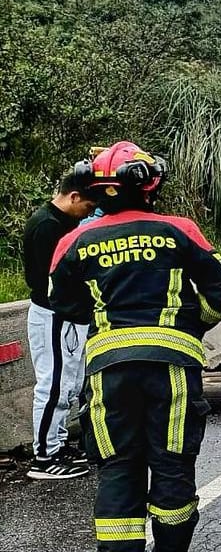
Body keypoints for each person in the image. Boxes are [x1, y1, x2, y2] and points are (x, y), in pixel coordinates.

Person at [47, 141, 221, 552]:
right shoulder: (178, 229)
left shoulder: (73, 242)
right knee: (171, 466)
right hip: (171, 369)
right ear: (149, 185)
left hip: (108, 371)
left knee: (118, 467)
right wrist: (189, 327)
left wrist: (103, 319)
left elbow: (63, 303)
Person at [23, 170, 97, 479]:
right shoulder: (47, 226)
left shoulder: (62, 222)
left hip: (68, 318)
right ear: (73, 197)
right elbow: (50, 280)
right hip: (53, 316)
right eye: (88, 208)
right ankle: (44, 457)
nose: (89, 214)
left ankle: (58, 443)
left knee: (68, 386)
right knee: (53, 387)